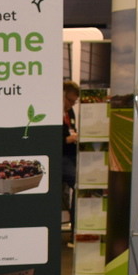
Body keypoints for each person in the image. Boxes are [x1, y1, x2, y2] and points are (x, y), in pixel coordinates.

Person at [61, 79, 81, 221]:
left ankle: (75, 223)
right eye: (70, 100)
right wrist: (69, 139)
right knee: (78, 182)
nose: (72, 104)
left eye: (75, 101)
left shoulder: (70, 112)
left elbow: (72, 129)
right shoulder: (52, 112)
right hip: (61, 157)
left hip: (72, 155)